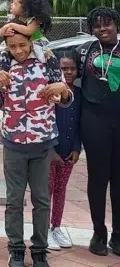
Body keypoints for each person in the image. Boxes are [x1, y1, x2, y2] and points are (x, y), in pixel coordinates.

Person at [0, 21, 71, 267]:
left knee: (42, 200)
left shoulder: (47, 60)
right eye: (13, 46)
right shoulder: (3, 65)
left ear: (31, 42)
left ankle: (40, 250)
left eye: (23, 45)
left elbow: (64, 98)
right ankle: (15, 249)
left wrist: (62, 89)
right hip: (13, 143)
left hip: (42, 143)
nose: (18, 50)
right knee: (14, 201)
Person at [73, 7, 120, 256]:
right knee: (98, 179)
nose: (103, 29)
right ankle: (98, 233)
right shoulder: (85, 51)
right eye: (97, 25)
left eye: (107, 24)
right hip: (94, 122)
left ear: (115, 24)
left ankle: (119, 235)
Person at [48, 52, 82, 251]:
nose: (68, 72)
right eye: (63, 68)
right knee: (47, 191)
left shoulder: (79, 94)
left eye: (72, 68)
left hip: (69, 153)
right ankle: (43, 229)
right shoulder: (51, 92)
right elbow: (46, 122)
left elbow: (79, 124)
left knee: (61, 192)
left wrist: (77, 148)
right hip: (50, 153)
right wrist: (50, 150)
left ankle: (56, 227)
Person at [0, 0, 53, 72]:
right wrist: (4, 32)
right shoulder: (16, 19)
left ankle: (53, 73)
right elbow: (0, 32)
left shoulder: (34, 19)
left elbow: (28, 31)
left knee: (48, 58)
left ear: (26, 6)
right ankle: (2, 69)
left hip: (36, 44)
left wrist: (12, 25)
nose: (11, 5)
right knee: (4, 52)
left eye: (15, 3)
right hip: (19, 45)